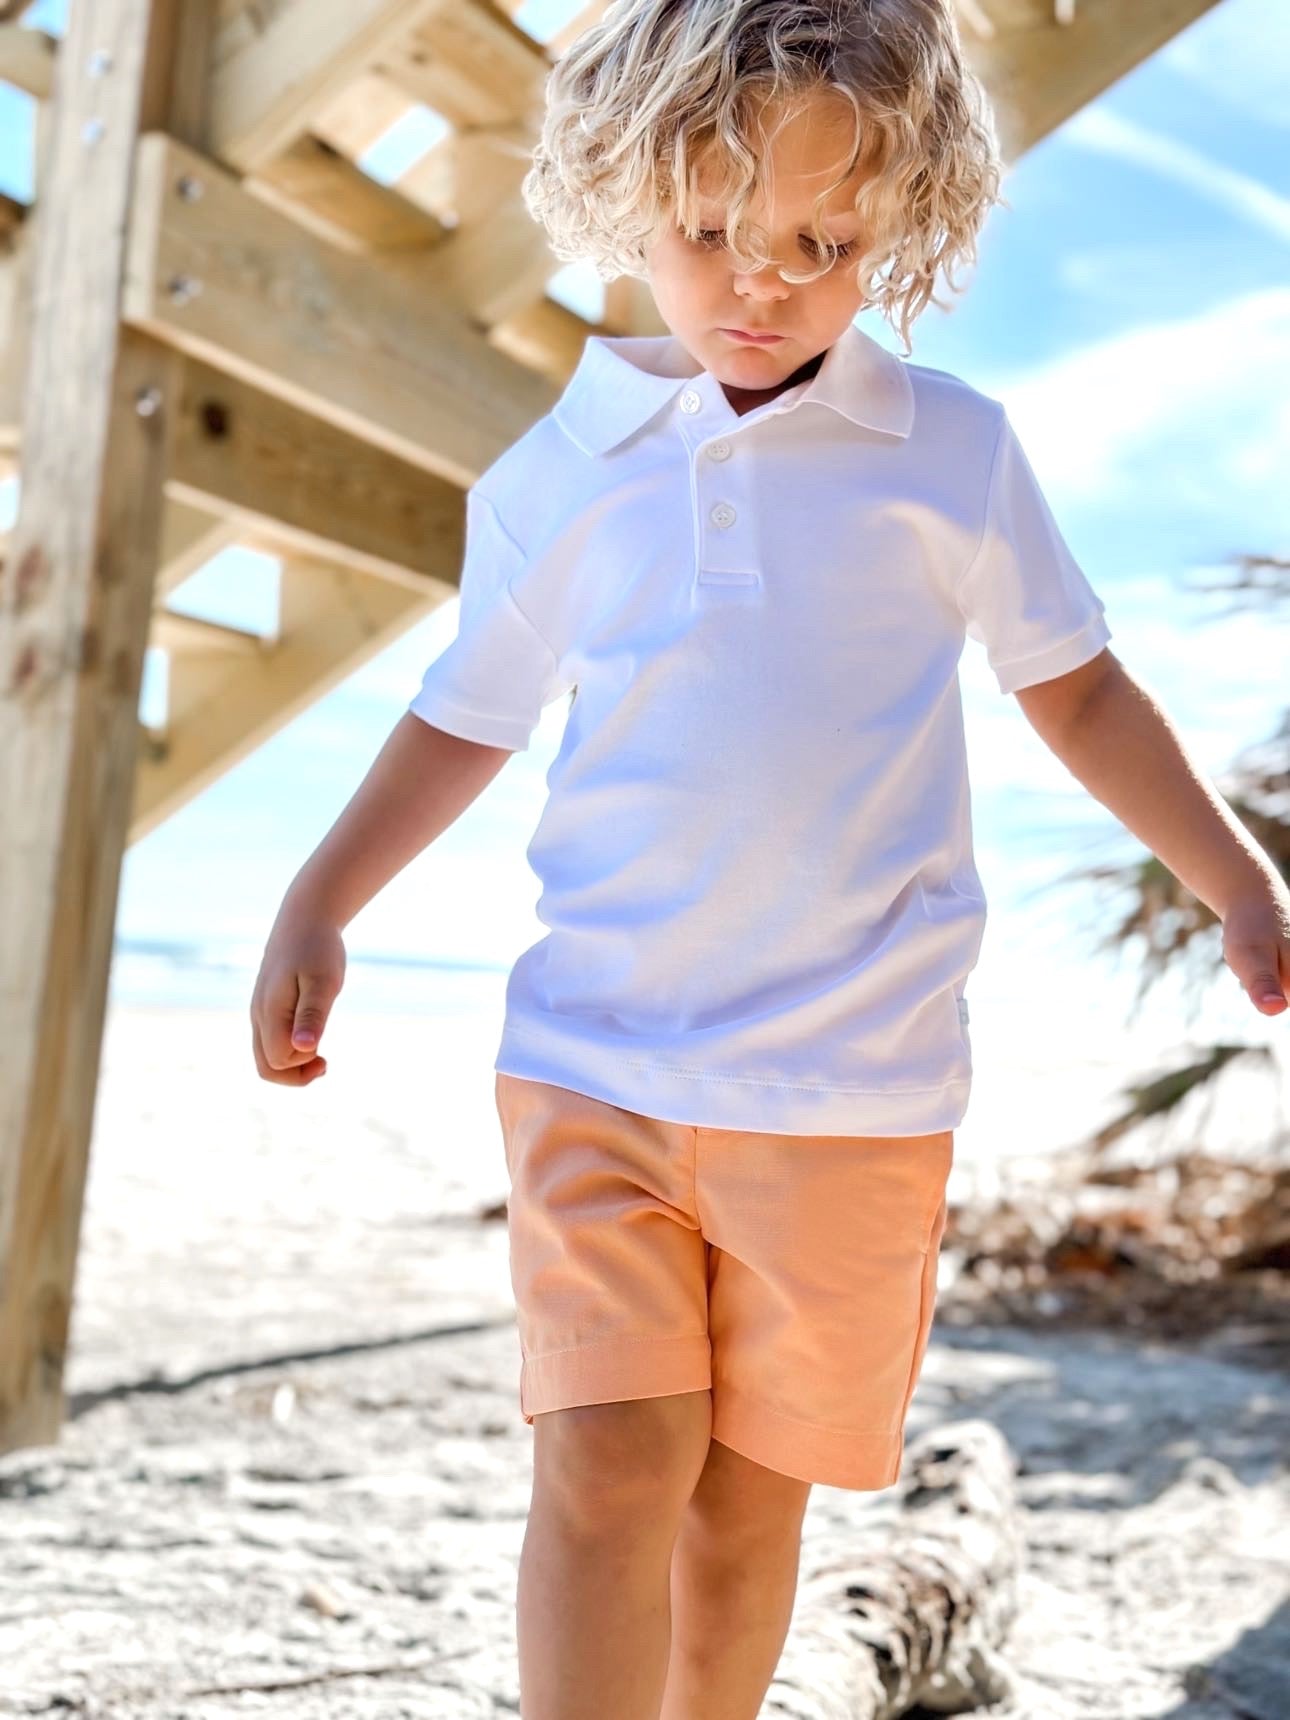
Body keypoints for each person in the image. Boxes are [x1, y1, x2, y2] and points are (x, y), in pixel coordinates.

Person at [250, 3, 1290, 1715]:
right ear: (619, 193)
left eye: (824, 242)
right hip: (596, 1062)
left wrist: (1235, 878)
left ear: (905, 225)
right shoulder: (558, 475)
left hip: (852, 1089)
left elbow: (1078, 687)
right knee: (605, 1465)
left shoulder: (950, 453)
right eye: (712, 229)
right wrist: (319, 899)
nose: (762, 283)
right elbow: (461, 717)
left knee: (742, 1523)